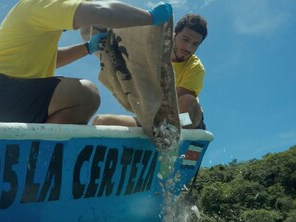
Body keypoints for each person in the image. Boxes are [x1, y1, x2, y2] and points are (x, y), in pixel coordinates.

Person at [0, 0, 173, 124]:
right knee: (85, 95)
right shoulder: (41, 4)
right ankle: (39, 157)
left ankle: (32, 153)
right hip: (5, 91)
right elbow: (98, 11)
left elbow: (51, 60)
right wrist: (150, 17)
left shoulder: (32, 14)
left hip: (12, 98)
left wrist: (87, 48)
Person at [93, 14, 208, 129]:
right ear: (174, 35)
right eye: (185, 39)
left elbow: (174, 103)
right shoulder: (153, 52)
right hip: (154, 121)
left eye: (195, 44)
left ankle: (178, 138)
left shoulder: (196, 67)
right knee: (101, 121)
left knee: (187, 101)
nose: (188, 48)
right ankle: (157, 137)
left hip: (184, 120)